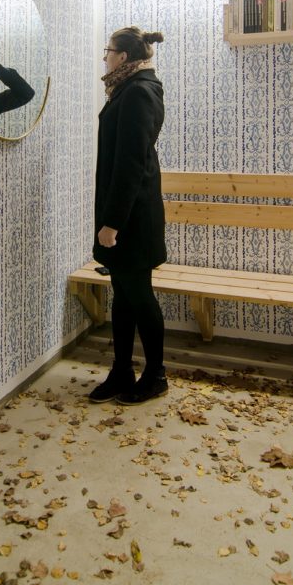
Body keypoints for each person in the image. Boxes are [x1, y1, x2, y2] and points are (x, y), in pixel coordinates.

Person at [89, 26, 168, 405]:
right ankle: (122, 370)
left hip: (133, 219)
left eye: (108, 51)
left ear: (122, 56)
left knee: (139, 295)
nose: (104, 58)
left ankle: (155, 375)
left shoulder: (138, 91)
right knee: (123, 295)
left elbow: (131, 164)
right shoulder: (130, 88)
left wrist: (112, 223)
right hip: (126, 213)